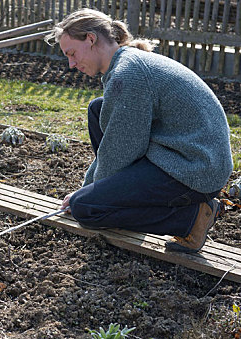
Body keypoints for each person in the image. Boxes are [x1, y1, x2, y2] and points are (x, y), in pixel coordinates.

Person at [44, 8, 233, 253]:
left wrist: (90, 195)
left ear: (91, 39)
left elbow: (120, 151)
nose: (71, 64)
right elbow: (117, 143)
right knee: (97, 109)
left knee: (87, 209)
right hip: (183, 153)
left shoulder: (129, 74)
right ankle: (120, 206)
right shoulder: (128, 63)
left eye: (71, 53)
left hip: (196, 169)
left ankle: (191, 219)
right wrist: (92, 187)